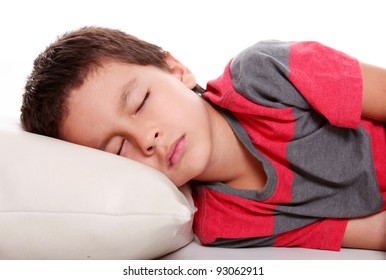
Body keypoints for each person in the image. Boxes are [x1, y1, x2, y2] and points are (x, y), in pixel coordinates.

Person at [20, 26, 386, 251]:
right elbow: (373, 232)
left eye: (142, 101)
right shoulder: (221, 224)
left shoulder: (265, 74)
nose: (148, 138)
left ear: (175, 70)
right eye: (118, 149)